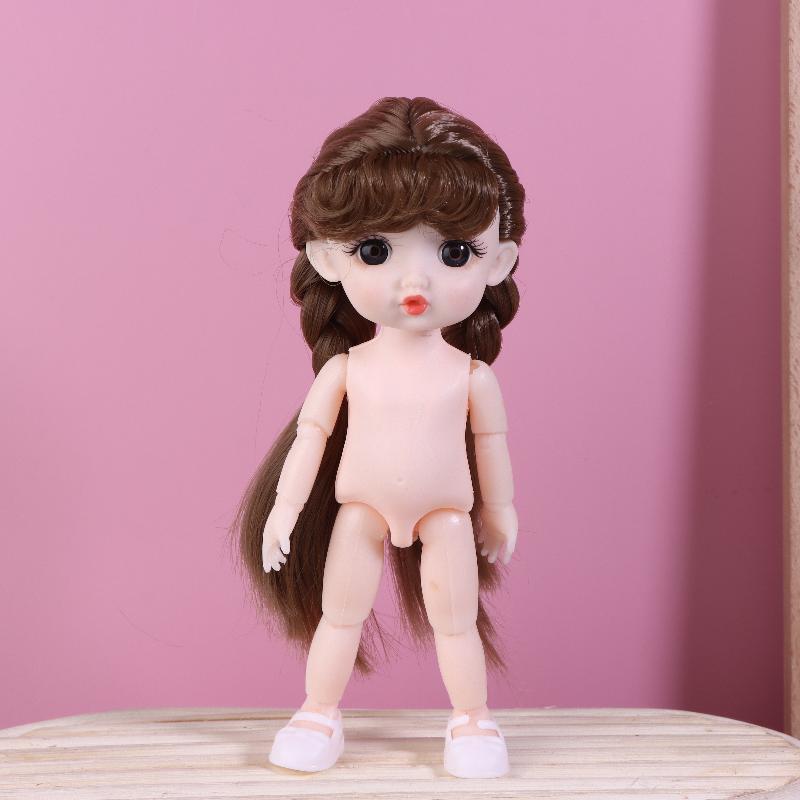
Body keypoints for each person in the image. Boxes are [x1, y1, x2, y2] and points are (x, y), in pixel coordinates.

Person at [231, 96, 527, 778]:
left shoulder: (472, 377)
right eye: (376, 251)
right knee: (340, 615)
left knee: (455, 621)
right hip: (361, 509)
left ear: (499, 262)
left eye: (454, 252)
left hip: (447, 514)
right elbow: (311, 439)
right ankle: (318, 712)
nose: (414, 281)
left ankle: (472, 719)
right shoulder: (347, 369)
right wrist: (285, 508)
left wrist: (501, 510)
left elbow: (491, 447)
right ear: (327, 258)